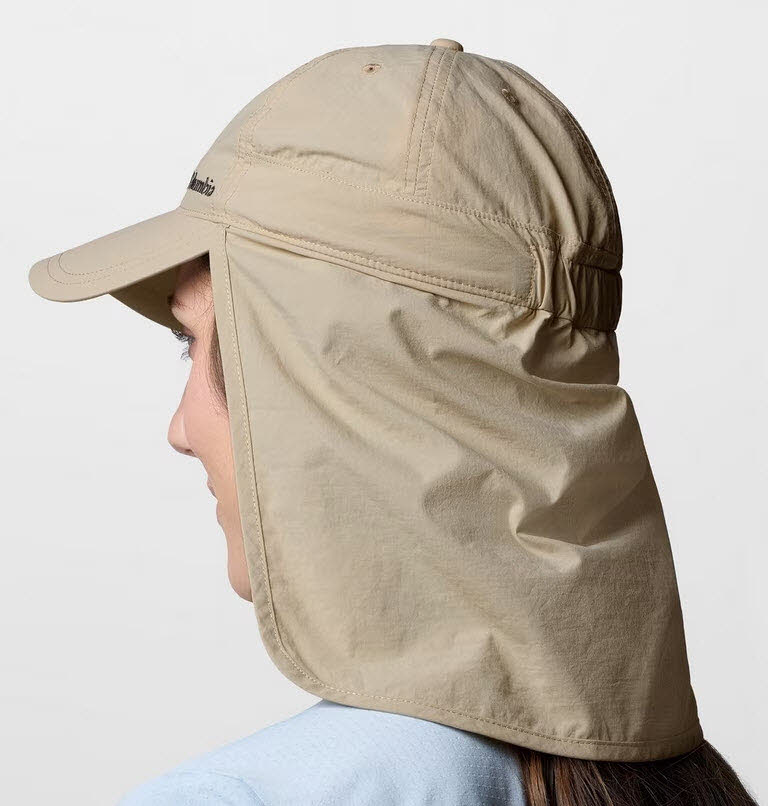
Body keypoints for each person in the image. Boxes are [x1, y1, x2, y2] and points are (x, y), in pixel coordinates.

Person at [28, 38, 758, 805]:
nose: (180, 430)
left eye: (209, 342)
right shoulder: (677, 781)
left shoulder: (242, 796)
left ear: (350, 386)